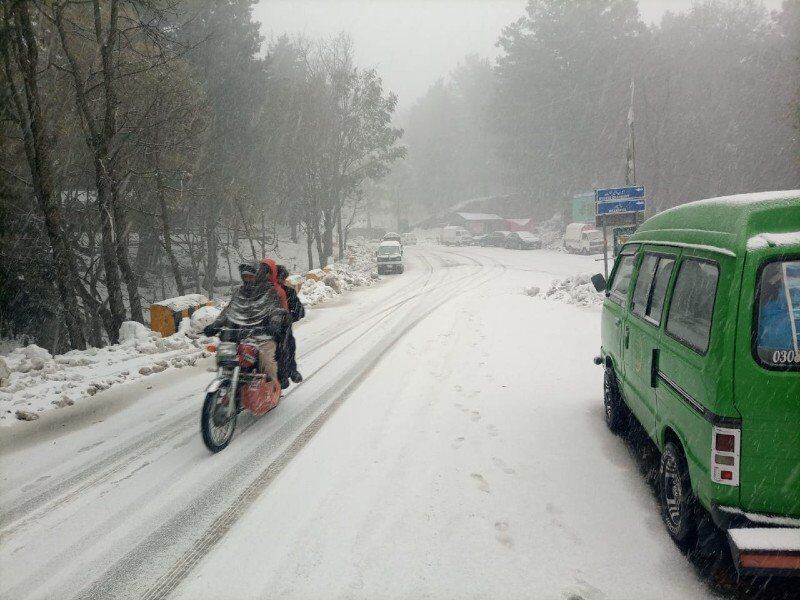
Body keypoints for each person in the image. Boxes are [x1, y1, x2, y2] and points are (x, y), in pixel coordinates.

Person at [204, 260, 291, 386]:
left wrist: (274, 324)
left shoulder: (269, 291)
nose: (248, 279)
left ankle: (273, 387)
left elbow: (276, 310)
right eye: (245, 276)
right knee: (225, 356)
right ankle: (227, 380)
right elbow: (229, 311)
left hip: (262, 335)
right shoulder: (239, 292)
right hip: (239, 335)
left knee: (266, 359)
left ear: (258, 276)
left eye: (251, 276)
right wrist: (215, 324)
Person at [277, 264, 304, 383]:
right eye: (277, 277)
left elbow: (300, 311)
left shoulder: (288, 292)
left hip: (282, 330)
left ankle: (291, 370)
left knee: (287, 344)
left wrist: (288, 318)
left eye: (282, 277)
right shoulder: (259, 292)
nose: (279, 280)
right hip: (260, 329)